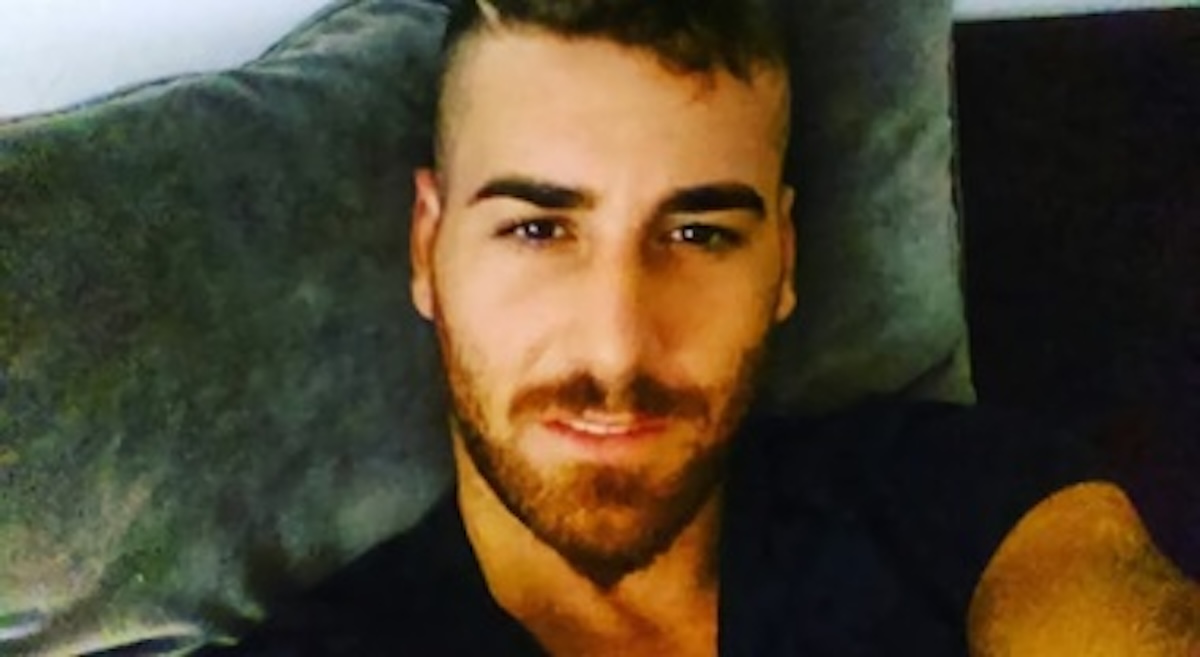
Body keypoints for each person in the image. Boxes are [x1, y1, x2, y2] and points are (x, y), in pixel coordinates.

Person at [196, 0, 1198, 654]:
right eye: (539, 228)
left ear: (785, 262)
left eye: (698, 233)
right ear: (428, 248)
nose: (617, 346)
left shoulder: (954, 500)